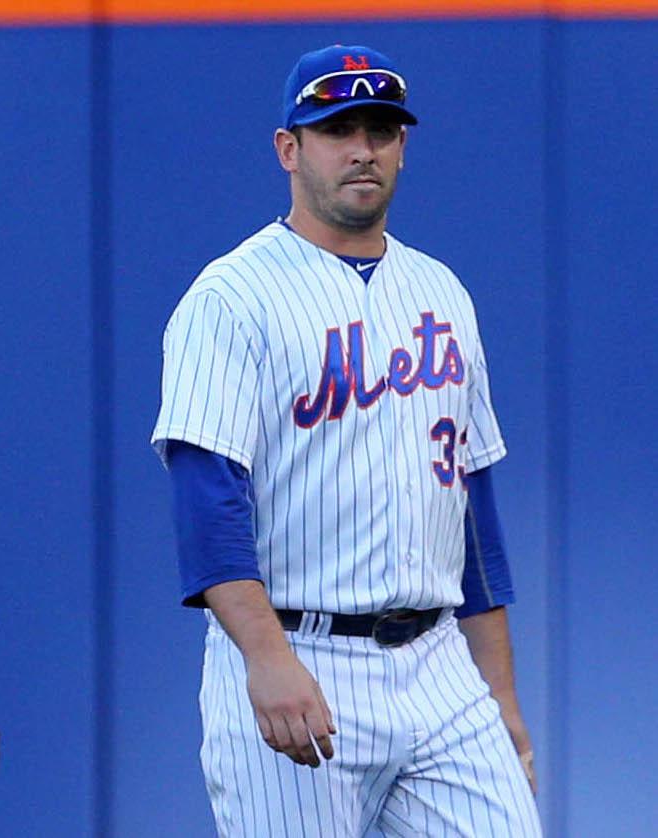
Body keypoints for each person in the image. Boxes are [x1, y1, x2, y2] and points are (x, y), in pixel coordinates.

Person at [151, 45, 540, 836]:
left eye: (381, 129)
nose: (363, 149)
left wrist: (498, 696)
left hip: (438, 667)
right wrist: (264, 657)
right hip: (299, 647)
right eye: (337, 129)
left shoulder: (440, 290)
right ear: (288, 149)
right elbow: (206, 502)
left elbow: (472, 513)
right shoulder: (231, 298)